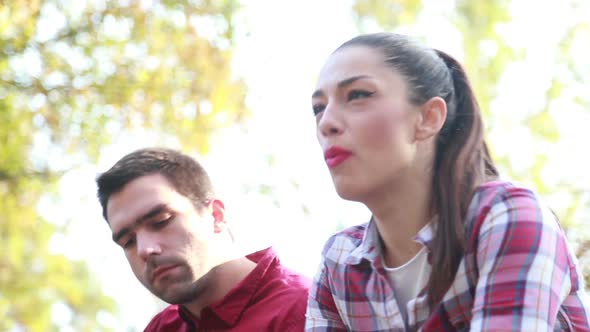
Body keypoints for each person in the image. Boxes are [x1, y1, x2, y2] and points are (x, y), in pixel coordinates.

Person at [305, 32, 590, 331]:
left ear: (429, 117)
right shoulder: (340, 261)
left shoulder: (509, 217)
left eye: (358, 95)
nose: (326, 123)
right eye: (318, 108)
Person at [96, 147, 310, 331]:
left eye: (161, 221)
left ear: (216, 215)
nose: (144, 249)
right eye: (128, 242)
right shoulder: (162, 327)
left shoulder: (308, 311)